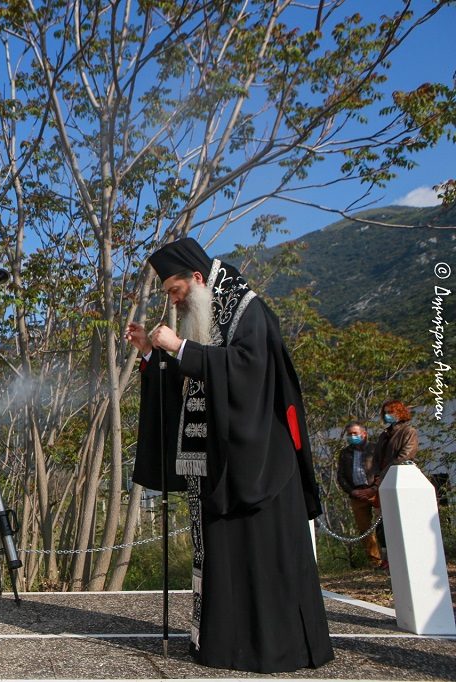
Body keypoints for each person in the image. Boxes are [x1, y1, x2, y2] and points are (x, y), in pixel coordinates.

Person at [126, 237, 333, 673]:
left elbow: (247, 370)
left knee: (264, 561)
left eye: (174, 291)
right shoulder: (207, 310)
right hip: (218, 467)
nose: (174, 302)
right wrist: (152, 353)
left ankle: (276, 648)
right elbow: (194, 380)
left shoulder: (247, 309)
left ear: (197, 279)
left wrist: (179, 349)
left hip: (260, 465)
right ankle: (222, 644)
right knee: (225, 560)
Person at [370, 399, 419, 564]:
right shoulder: (384, 434)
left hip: (399, 478)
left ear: (400, 412)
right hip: (382, 482)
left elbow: (406, 454)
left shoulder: (409, 431)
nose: (388, 415)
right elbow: (376, 459)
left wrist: (386, 472)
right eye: (385, 412)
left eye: (391, 412)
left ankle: (407, 556)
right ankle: (387, 559)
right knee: (382, 524)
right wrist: (376, 475)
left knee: (402, 521)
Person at [335, 421, 382, 567]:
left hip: (376, 492)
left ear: (364, 434)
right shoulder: (345, 453)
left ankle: (392, 557)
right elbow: (341, 476)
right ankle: (376, 562)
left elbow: (383, 470)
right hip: (356, 495)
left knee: (386, 525)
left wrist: (373, 488)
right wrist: (352, 491)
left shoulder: (375, 449)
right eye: (349, 434)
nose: (352, 436)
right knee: (364, 529)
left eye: (355, 433)